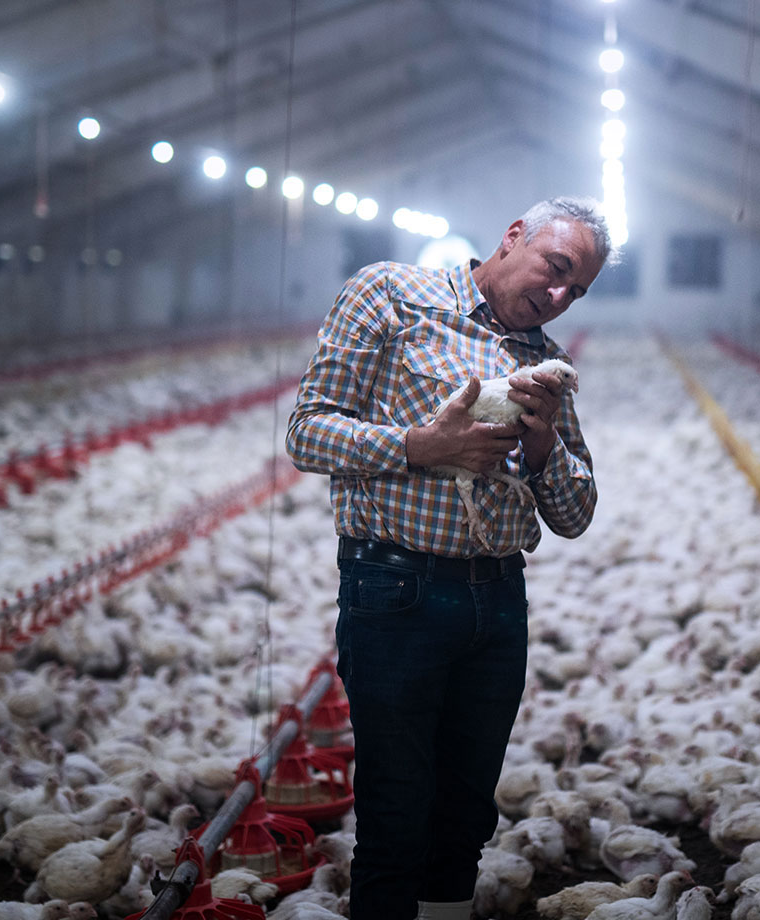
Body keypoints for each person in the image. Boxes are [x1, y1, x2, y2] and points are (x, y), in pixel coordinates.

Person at [285, 196, 612, 919]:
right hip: (396, 589)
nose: (557, 297)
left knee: (466, 816)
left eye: (575, 291)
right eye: (554, 269)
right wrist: (423, 447)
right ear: (513, 235)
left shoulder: (548, 364)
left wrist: (542, 445)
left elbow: (576, 515)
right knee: (398, 812)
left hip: (497, 601)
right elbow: (306, 433)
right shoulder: (393, 295)